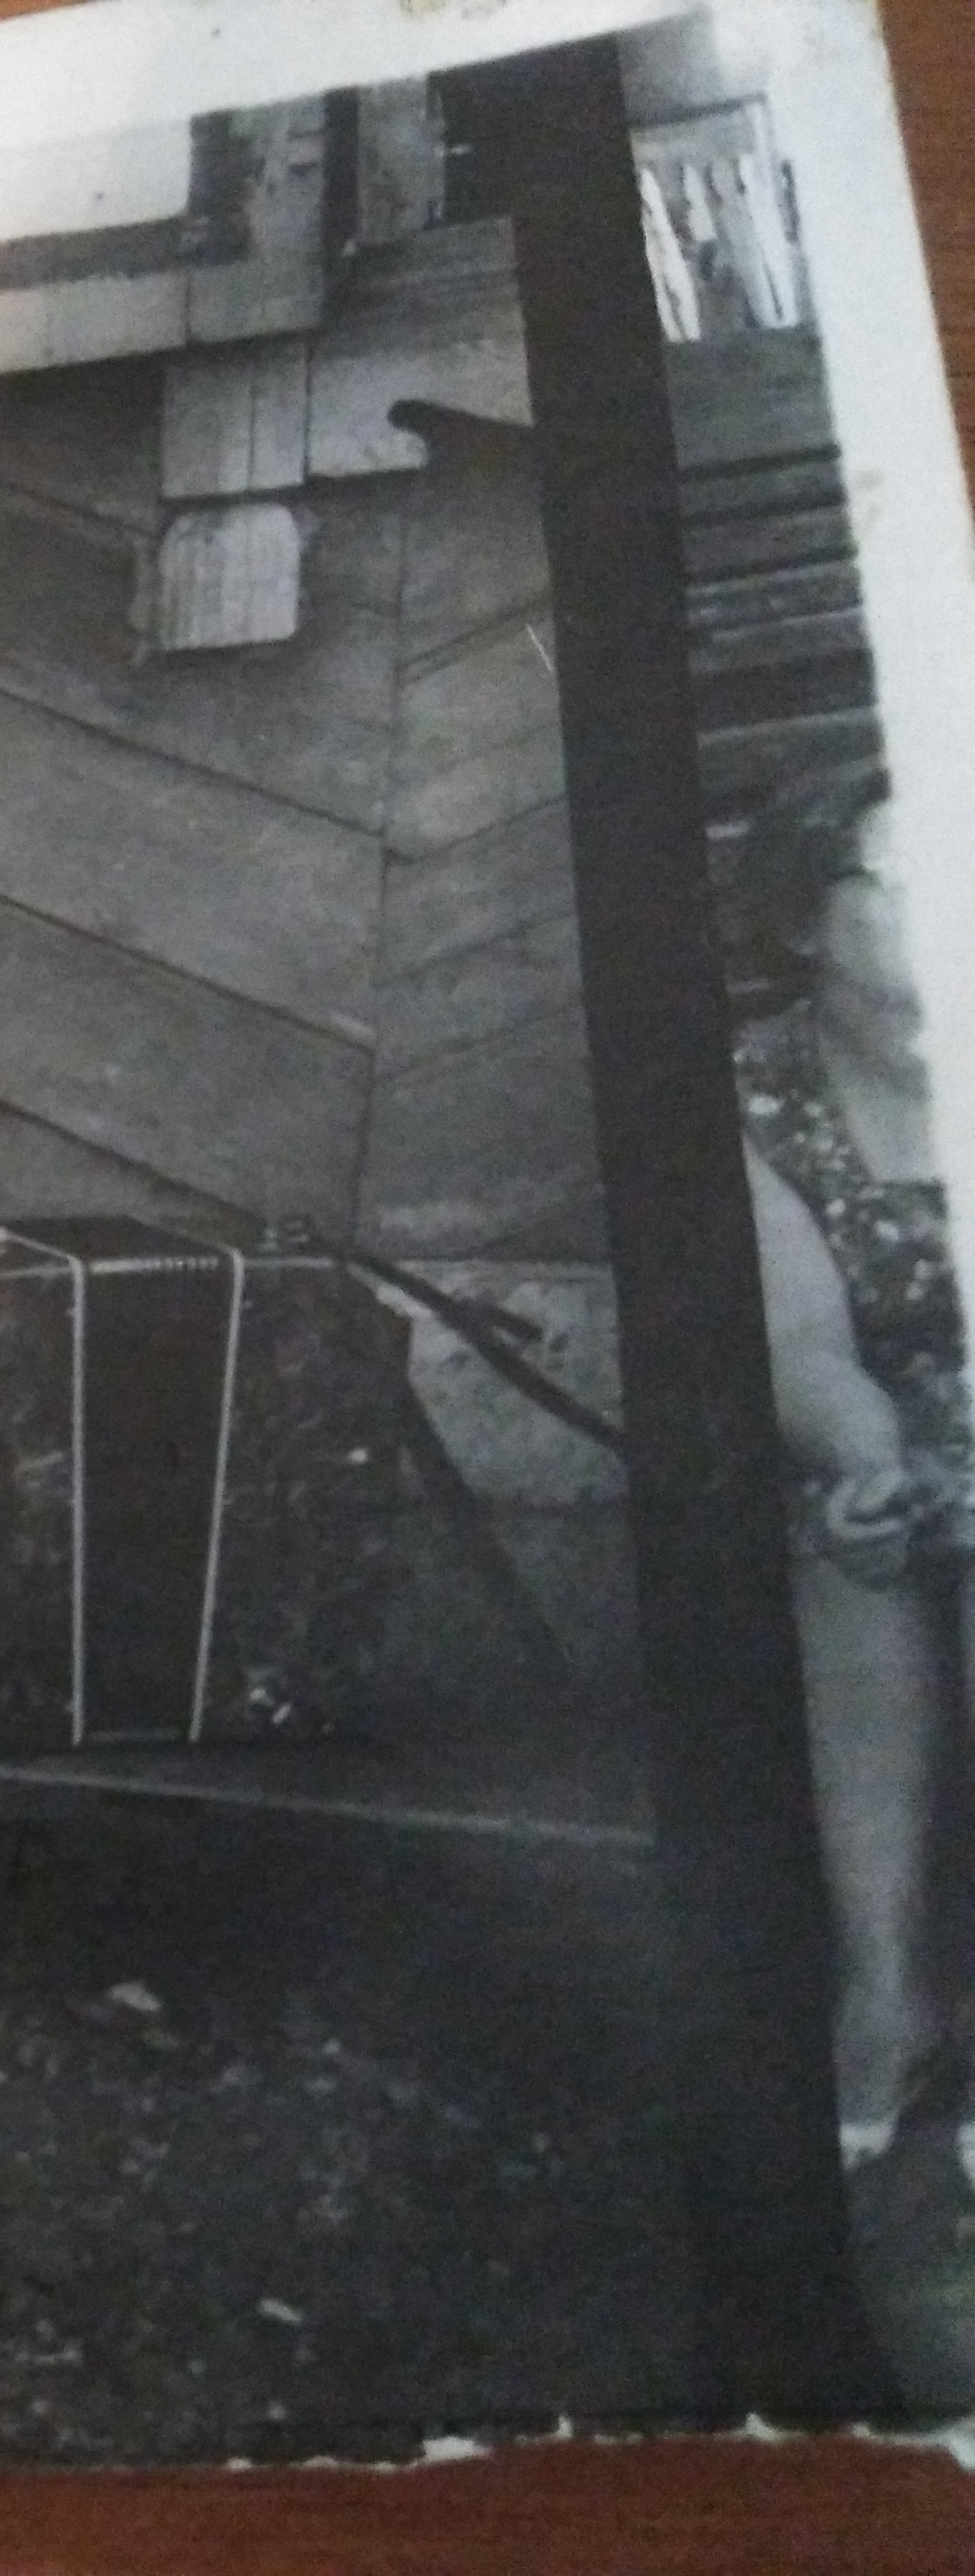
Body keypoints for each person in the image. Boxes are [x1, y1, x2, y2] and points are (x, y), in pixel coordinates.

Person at [729, 764, 975, 2403]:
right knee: (846, 1545)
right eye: (904, 872)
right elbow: (803, 1343)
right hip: (901, 1434)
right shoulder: (756, 1099)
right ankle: (885, 2003)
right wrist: (867, 1461)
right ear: (806, 921)